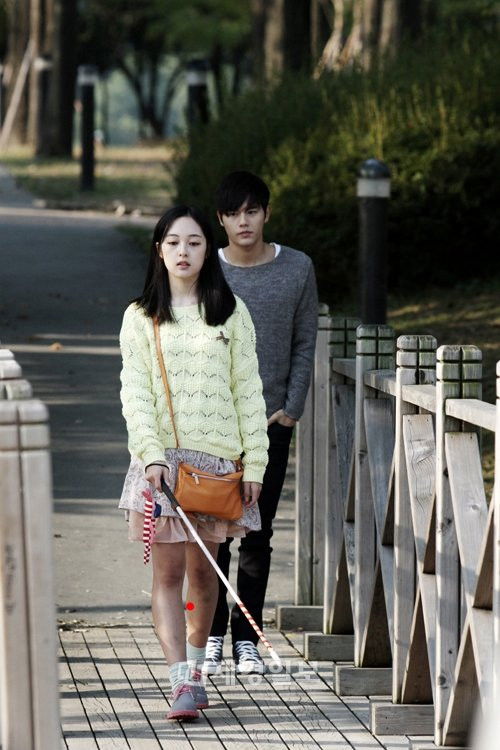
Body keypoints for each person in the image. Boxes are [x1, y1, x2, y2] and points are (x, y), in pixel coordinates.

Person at [118, 205, 268, 721]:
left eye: (195, 242)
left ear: (209, 250)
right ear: (159, 250)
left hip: (217, 466)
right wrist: (151, 455)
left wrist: (255, 464)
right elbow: (135, 393)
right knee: (169, 573)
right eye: (174, 242)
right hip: (161, 466)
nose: (184, 252)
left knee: (205, 575)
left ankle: (199, 671)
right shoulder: (140, 316)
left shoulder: (232, 313)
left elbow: (249, 392)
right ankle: (181, 679)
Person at [205, 171, 318, 674]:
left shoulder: (297, 268)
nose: (243, 222)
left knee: (258, 530)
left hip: (270, 422)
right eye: (233, 214)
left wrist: (291, 408)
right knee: (214, 532)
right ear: (221, 220)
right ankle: (210, 634)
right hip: (213, 424)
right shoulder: (208, 268)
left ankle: (246, 639)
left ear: (267, 213)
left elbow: (305, 341)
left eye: (252, 211)